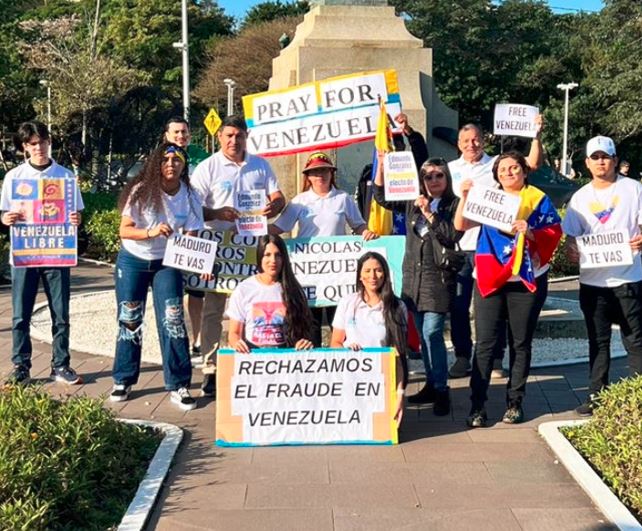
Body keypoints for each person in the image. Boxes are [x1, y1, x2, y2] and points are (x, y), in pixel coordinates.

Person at [454, 151, 562, 427]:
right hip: (490, 276)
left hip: (525, 279)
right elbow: (461, 225)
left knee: (520, 342)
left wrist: (532, 230)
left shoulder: (537, 198)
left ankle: (515, 403)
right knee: (486, 344)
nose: (509, 173)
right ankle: (477, 406)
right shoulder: (487, 197)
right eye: (503, 169)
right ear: (496, 175)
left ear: (525, 171)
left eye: (515, 168)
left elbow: (553, 233)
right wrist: (465, 197)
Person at [190, 115, 285, 396]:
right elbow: (193, 207)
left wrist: (275, 206)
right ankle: (211, 367)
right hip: (219, 246)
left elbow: (278, 196)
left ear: (246, 136)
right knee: (213, 311)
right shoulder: (208, 167)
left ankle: (250, 360)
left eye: (239, 135)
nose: (234, 141)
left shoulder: (260, 165)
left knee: (255, 305)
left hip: (251, 246)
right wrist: (217, 213)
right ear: (219, 137)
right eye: (228, 135)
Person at [110, 143, 204, 410]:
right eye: (165, 160)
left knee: (173, 319)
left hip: (168, 261)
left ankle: (179, 383)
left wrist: (195, 257)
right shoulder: (141, 191)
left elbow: (193, 232)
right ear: (156, 164)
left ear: (184, 165)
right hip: (134, 258)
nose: (171, 165)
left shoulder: (189, 194)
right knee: (130, 318)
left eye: (177, 160)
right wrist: (150, 232)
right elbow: (125, 231)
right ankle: (123, 379)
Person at [447, 119, 544, 379]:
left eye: (476, 139)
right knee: (458, 307)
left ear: (484, 140)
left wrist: (536, 136)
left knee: (492, 309)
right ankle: (462, 356)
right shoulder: (449, 169)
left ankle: (497, 357)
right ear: (458, 144)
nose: (471, 144)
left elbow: (531, 164)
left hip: (491, 250)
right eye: (465, 140)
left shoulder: (496, 165)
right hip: (459, 248)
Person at [373, 154, 462, 416]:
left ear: (446, 177)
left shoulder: (453, 204)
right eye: (428, 176)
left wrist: (429, 213)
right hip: (413, 279)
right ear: (422, 180)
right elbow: (381, 197)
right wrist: (380, 164)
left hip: (438, 278)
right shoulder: (411, 201)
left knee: (433, 332)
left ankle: (442, 389)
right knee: (422, 336)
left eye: (439, 175)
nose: (434, 180)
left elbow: (451, 235)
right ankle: (432, 385)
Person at [562, 136, 642, 416]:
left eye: (605, 157)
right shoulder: (580, 197)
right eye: (594, 157)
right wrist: (572, 250)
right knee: (598, 342)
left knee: (635, 340)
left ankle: (637, 399)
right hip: (593, 283)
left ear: (615, 160)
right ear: (586, 163)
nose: (600, 162)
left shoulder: (634, 189)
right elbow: (571, 236)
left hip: (628, 278)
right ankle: (597, 396)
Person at [1, 121, 84, 385]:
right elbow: (4, 213)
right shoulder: (14, 177)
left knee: (60, 312)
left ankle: (61, 364)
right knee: (20, 313)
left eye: (43, 141)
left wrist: (75, 219)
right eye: (33, 143)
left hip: (56, 253)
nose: (39, 147)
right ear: (25, 147)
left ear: (50, 142)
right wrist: (6, 219)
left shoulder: (66, 176)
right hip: (24, 254)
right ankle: (21, 365)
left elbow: (77, 212)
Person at [270, 151, 378, 346]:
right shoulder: (299, 201)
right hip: (308, 274)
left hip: (338, 275)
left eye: (324, 171)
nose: (320, 175)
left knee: (340, 321)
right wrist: (251, 229)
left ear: (331, 173)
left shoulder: (343, 198)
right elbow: (279, 227)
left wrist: (367, 233)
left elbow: (358, 225)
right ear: (308, 177)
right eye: (315, 171)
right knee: (310, 323)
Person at [331, 251, 408, 425]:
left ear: (385, 274)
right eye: (367, 271)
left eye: (378, 270)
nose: (373, 276)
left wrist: (400, 396)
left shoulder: (398, 307)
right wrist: (346, 351)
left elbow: (399, 356)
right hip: (351, 379)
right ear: (360, 275)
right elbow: (335, 342)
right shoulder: (347, 302)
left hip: (382, 382)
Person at [227, 234, 313, 351]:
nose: (273, 260)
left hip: (285, 356)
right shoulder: (243, 289)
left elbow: (302, 333)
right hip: (252, 355)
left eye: (278, 255)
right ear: (260, 257)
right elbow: (234, 333)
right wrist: (237, 343)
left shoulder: (293, 290)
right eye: (267, 255)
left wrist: (302, 343)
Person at [163, 116, 204, 361]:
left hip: (194, 233)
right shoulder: (158, 158)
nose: (181, 136)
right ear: (166, 134)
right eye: (176, 132)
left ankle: (197, 339)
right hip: (164, 241)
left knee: (196, 290)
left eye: (185, 132)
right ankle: (177, 340)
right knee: (171, 294)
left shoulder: (201, 157)